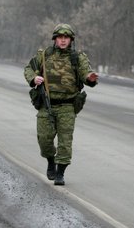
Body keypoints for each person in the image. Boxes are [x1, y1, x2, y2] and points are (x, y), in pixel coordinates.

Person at [23, 23, 98, 185]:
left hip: (67, 106)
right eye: (60, 37)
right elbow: (29, 69)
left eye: (66, 38)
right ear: (55, 39)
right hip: (47, 104)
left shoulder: (78, 58)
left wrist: (90, 77)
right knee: (44, 140)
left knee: (65, 142)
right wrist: (34, 78)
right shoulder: (45, 55)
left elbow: (86, 73)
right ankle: (51, 161)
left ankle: (60, 173)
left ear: (71, 40)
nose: (63, 41)